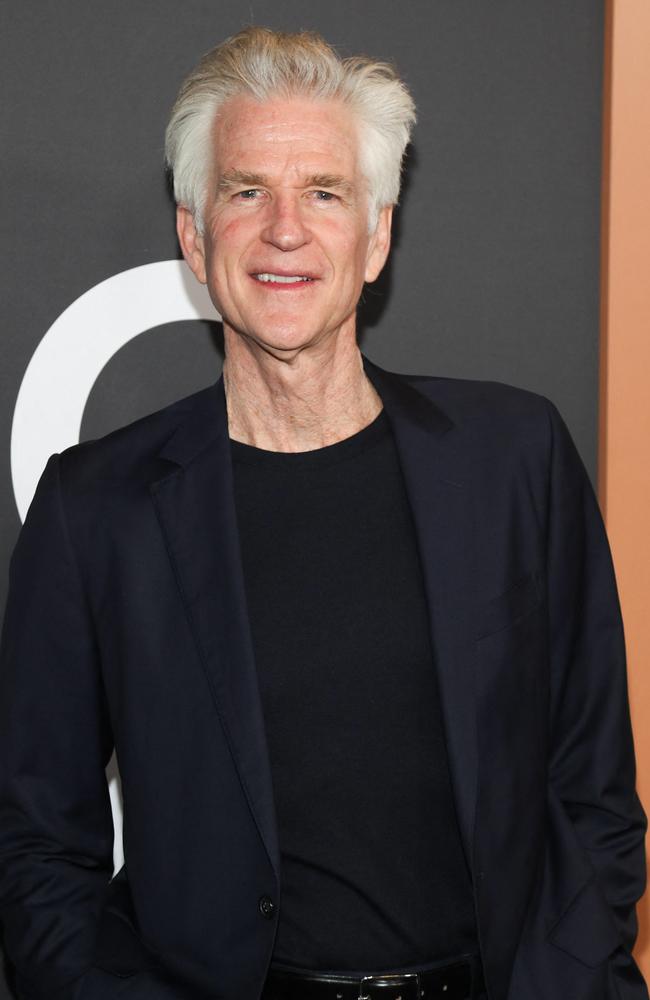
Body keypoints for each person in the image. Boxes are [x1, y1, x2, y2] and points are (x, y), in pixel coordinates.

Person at [0, 24, 646, 1000]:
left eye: (324, 193)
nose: (284, 228)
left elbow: (590, 791)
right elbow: (37, 843)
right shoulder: (98, 512)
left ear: (377, 234)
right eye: (245, 190)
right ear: (191, 231)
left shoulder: (514, 459)